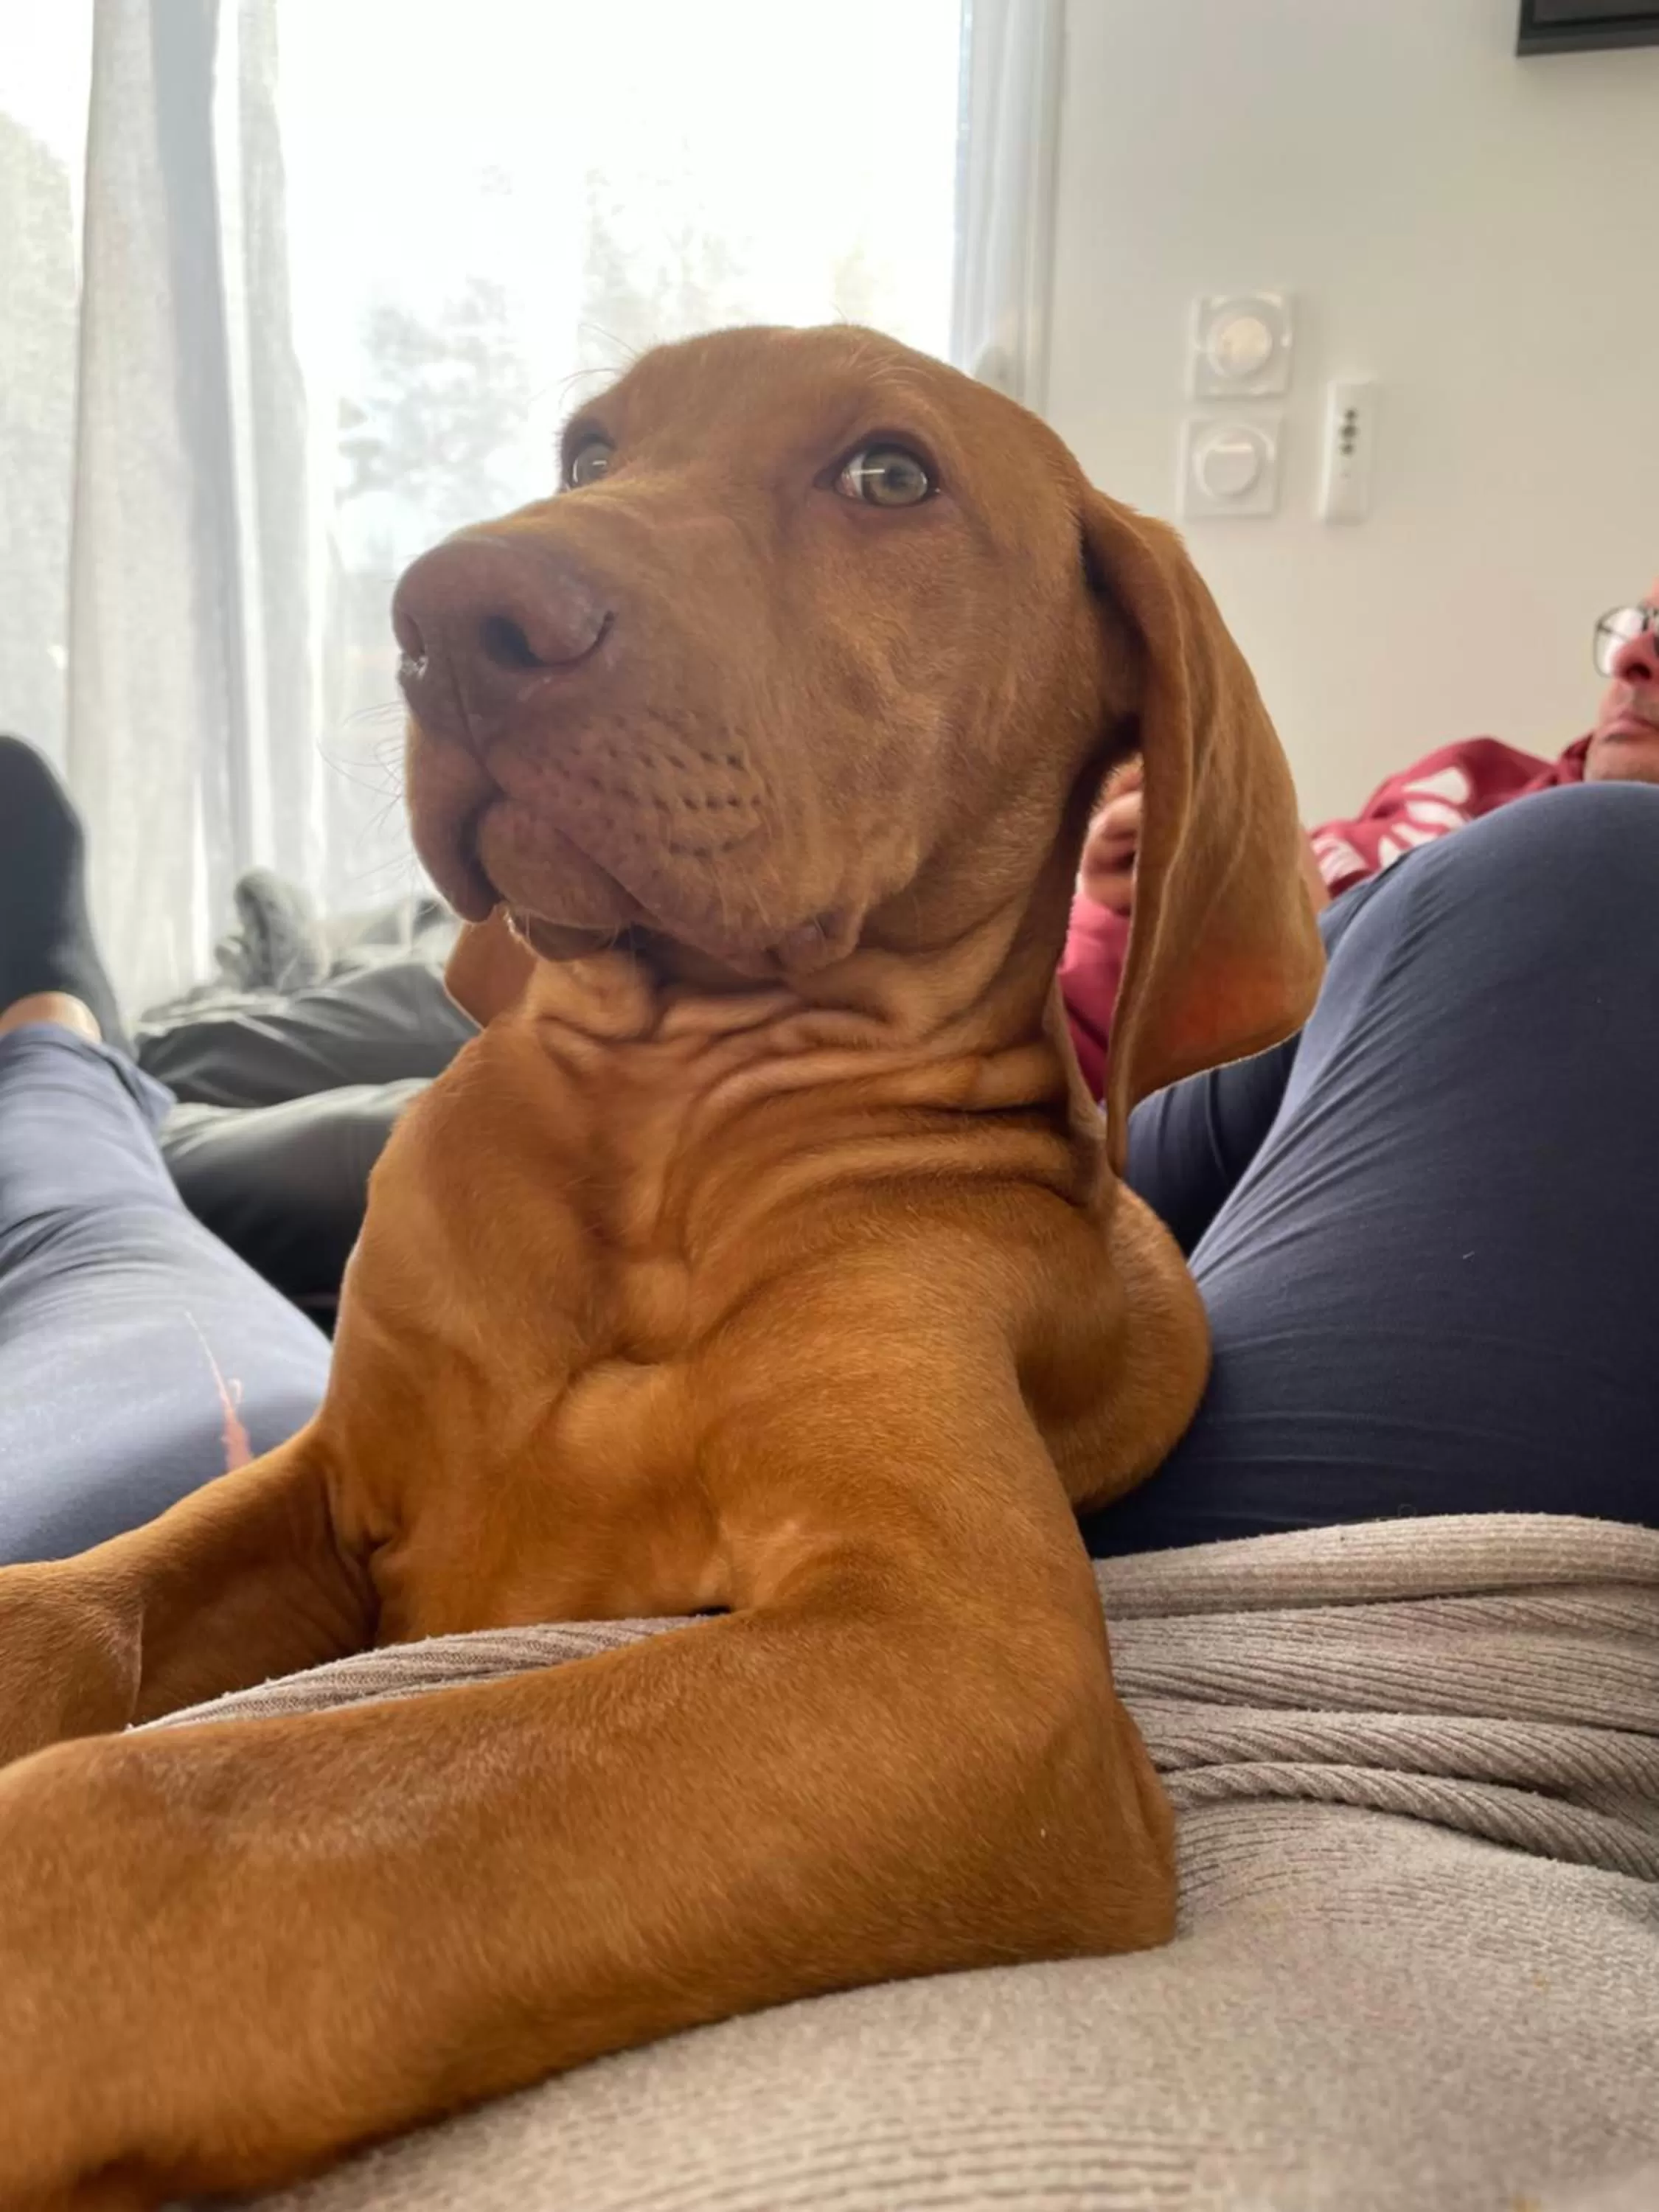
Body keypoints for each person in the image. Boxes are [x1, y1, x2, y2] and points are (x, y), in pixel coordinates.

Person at [3, 725, 1657, 1572]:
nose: (1640, 653)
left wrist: (1218, 924)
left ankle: (65, 1062)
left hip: (957, 1104)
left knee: (280, 1187)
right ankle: (100, 1064)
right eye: (1630, 618)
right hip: (826, 1036)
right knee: (419, 1020)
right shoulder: (1465, 784)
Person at [1062, 579, 1659, 1085]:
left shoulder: (1604, 887)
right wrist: (1134, 872)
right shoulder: (1477, 773)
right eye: (1640, 623)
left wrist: (1290, 926)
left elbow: (1411, 1115)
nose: (1633, 654)